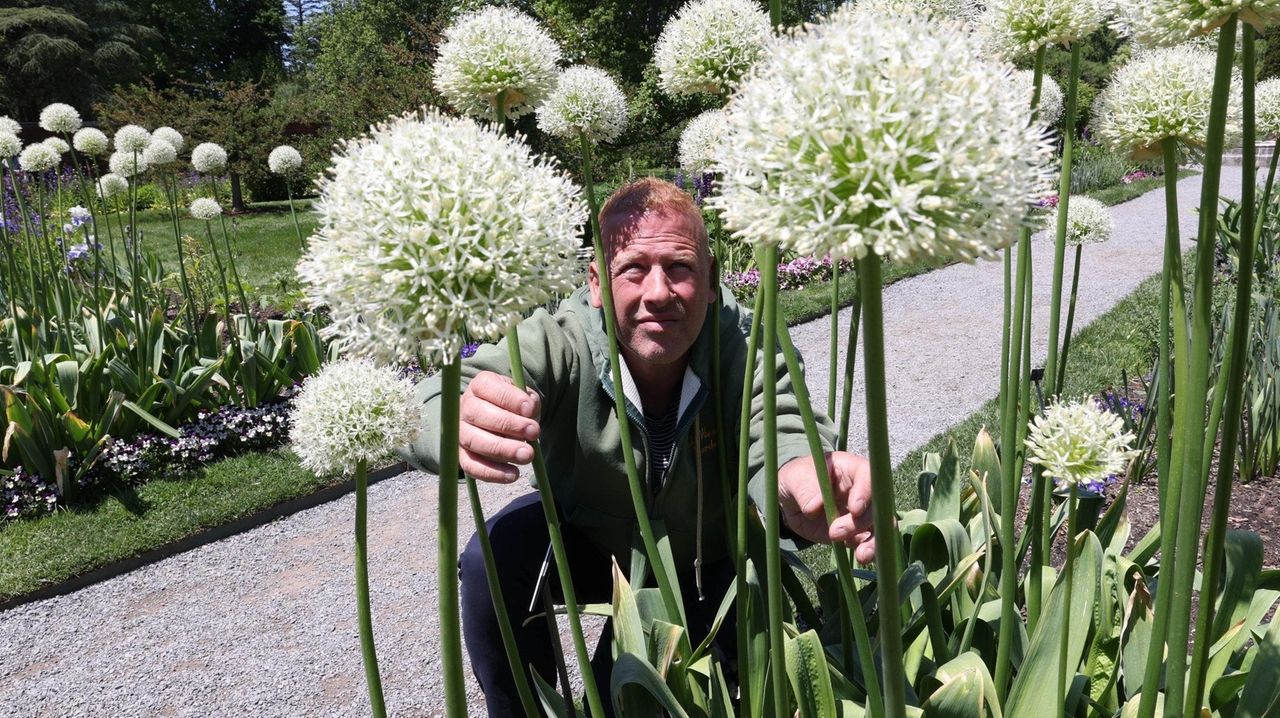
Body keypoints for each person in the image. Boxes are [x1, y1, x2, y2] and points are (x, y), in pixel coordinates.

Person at [404, 177, 876, 716]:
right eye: (633, 268)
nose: (658, 292)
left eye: (679, 268)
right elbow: (441, 394)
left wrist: (798, 480)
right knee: (492, 556)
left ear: (713, 279)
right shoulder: (562, 340)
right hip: (590, 540)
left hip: (710, 561)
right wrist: (451, 421)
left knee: (624, 692)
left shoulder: (743, 341)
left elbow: (778, 426)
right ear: (597, 283)